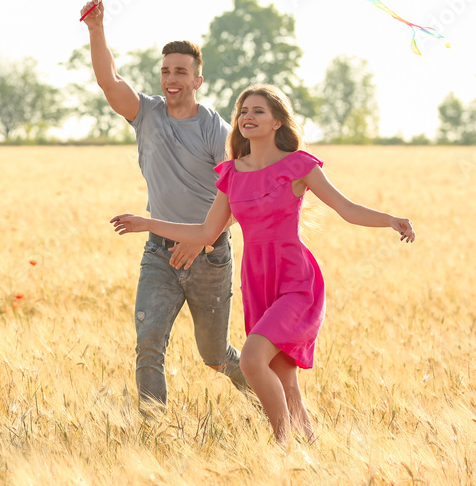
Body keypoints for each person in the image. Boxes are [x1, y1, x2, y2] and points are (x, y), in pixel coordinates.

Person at [110, 83, 415, 444]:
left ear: (277, 123)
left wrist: (391, 219)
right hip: (257, 284)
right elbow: (208, 232)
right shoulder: (231, 174)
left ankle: (281, 448)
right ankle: (310, 454)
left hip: (296, 281)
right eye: (243, 111)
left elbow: (346, 208)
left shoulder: (299, 165)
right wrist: (147, 223)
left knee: (252, 360)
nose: (247, 117)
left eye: (258, 111)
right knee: (284, 378)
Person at [79, 0, 248, 410]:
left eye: (181, 72)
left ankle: (270, 404)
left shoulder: (214, 129)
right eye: (166, 70)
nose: (171, 78)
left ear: (197, 81)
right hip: (158, 252)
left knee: (215, 356)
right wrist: (96, 29)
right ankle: (156, 433)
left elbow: (239, 196)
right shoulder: (147, 115)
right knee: (148, 343)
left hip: (210, 257)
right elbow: (110, 81)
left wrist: (204, 238)